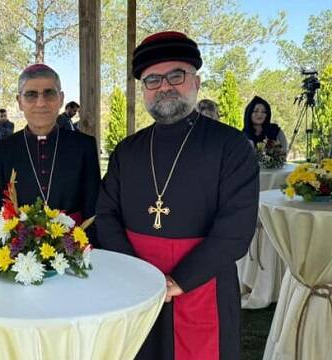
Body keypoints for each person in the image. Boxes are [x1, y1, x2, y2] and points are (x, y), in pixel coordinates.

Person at [96, 31, 259, 359]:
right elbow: (106, 214)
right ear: (143, 89)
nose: (164, 86)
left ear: (196, 82)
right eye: (152, 79)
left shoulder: (231, 146)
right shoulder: (128, 150)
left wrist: (179, 280)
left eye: (176, 75)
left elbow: (236, 231)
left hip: (202, 283)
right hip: (136, 285)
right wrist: (136, 275)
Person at [0, 64, 100, 243]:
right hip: (19, 250)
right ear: (19, 102)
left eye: (49, 93)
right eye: (31, 95)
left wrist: (87, 253)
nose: (41, 103)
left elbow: (92, 209)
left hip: (75, 249)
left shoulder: (84, 146)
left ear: (61, 99)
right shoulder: (0, 151)